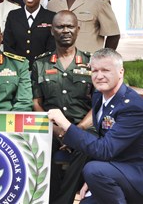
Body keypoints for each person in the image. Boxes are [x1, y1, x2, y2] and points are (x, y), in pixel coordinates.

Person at [48, 48, 143, 204]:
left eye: (105, 70)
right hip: (116, 171)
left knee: (93, 169)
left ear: (121, 72)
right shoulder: (98, 96)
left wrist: (66, 125)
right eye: (94, 71)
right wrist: (92, 181)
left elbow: (105, 150)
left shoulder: (132, 108)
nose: (99, 76)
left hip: (139, 176)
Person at [32, 10, 95, 204]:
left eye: (70, 26)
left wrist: (76, 130)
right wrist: (57, 129)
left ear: (78, 29)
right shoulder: (40, 63)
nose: (65, 30)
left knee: (85, 146)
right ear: (52, 30)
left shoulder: (91, 62)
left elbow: (98, 105)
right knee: (40, 147)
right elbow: (36, 102)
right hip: (50, 128)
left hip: (82, 127)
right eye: (60, 26)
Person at [4, 0, 55, 66]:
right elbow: (8, 45)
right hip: (17, 68)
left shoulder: (51, 17)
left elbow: (52, 47)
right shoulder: (13, 15)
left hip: (42, 68)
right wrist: (18, 65)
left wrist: (40, 66)